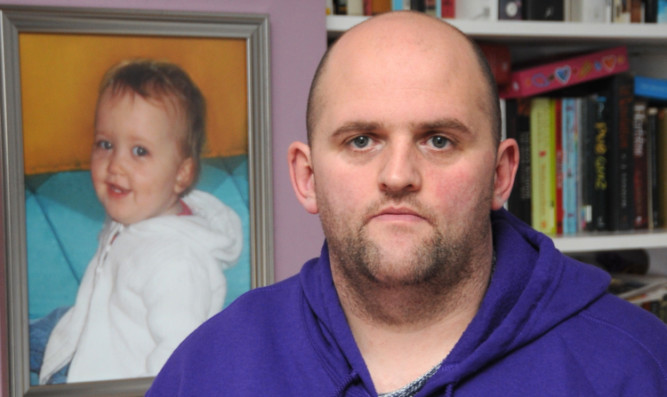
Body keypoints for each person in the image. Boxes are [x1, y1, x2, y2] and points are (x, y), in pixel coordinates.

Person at [147, 11, 667, 396]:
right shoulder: (209, 368)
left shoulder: (638, 366)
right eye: (361, 140)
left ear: (501, 174)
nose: (398, 176)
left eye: (438, 140)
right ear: (307, 177)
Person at [33, 59, 243, 384]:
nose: (115, 164)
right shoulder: (146, 209)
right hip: (89, 324)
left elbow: (177, 360)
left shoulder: (177, 263)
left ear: (181, 173)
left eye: (140, 151)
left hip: (111, 375)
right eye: (106, 144)